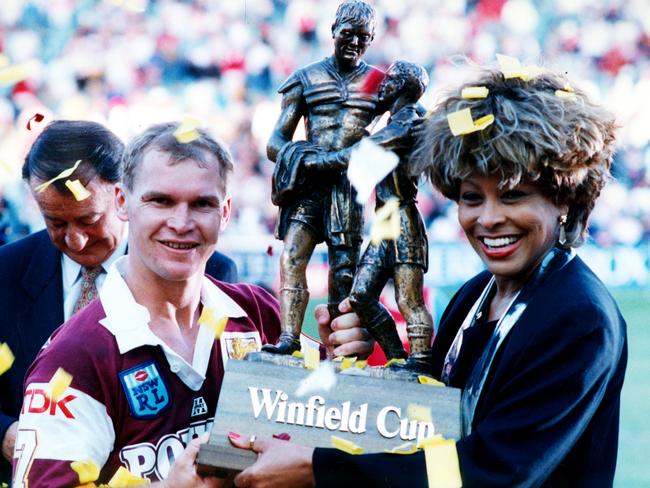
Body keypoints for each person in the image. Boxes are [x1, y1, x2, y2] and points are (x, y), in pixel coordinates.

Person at [228, 66, 628, 487]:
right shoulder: (477, 294)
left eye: (513, 195)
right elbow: (424, 423)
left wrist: (320, 469)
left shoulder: (579, 316)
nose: (489, 218)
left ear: (564, 197)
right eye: (472, 197)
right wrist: (372, 361)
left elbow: (491, 472)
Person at [12, 123, 277, 486]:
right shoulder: (72, 356)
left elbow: (341, 431)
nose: (181, 223)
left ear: (226, 212)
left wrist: (345, 357)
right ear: (123, 202)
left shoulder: (259, 314)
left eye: (202, 203)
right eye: (160, 201)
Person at [263, 0, 384, 355]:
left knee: (344, 270)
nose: (354, 43)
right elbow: (275, 143)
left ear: (372, 38)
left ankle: (338, 350)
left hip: (348, 189)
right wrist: (304, 156)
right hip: (310, 183)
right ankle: (289, 337)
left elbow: (404, 124)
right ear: (333, 32)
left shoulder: (379, 82)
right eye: (347, 34)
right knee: (292, 256)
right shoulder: (306, 78)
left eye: (364, 37)